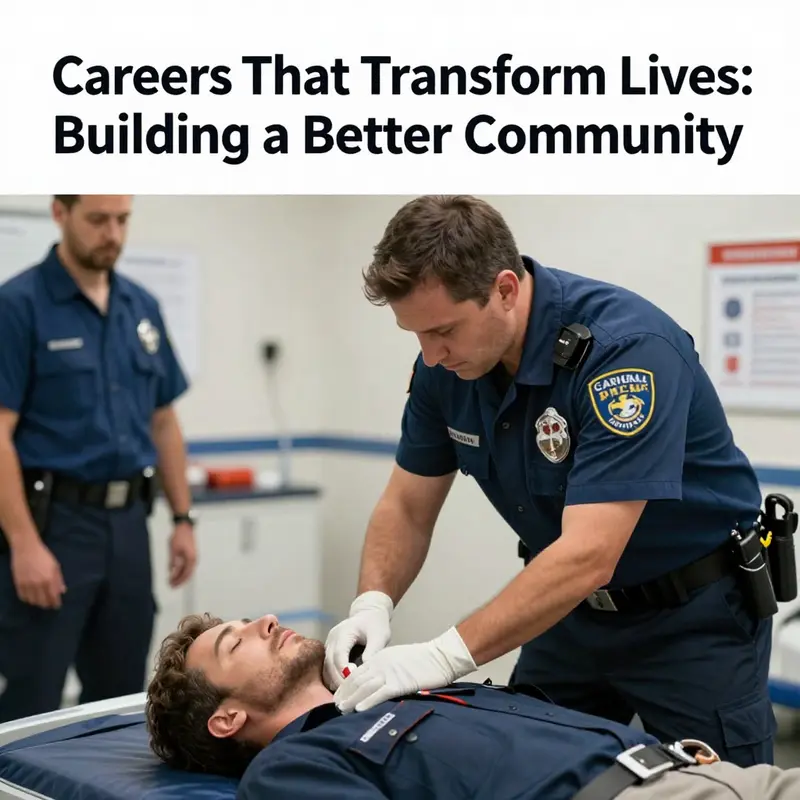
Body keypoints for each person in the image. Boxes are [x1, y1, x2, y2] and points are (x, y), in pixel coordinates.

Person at [323, 194, 787, 768]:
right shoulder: (446, 368)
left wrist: (444, 656)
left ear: (506, 290)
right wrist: (373, 604)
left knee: (723, 786)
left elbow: (590, 553)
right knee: (523, 771)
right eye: (414, 334)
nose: (431, 355)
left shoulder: (625, 352)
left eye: (443, 330)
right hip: (569, 616)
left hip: (690, 621)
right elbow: (407, 507)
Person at [144, 612, 800, 800]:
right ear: (225, 718)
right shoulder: (291, 770)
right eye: (235, 642)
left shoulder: (400, 692)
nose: (264, 620)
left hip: (704, 774)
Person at [0, 194, 197, 722]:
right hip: (53, 525)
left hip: (129, 525)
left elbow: (163, 421)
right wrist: (23, 544)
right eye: (97, 220)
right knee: (32, 698)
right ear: (60, 214)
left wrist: (182, 519)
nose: (112, 233)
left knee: (120, 699)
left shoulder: (141, 307)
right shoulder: (18, 305)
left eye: (122, 220)